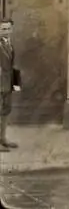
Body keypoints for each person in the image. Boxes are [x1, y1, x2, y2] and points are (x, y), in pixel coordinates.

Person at [0, 18, 18, 151]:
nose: (6, 31)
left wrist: (15, 83)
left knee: (6, 110)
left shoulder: (9, 43)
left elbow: (11, 65)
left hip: (8, 82)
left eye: (8, 29)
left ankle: (2, 138)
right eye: (3, 29)